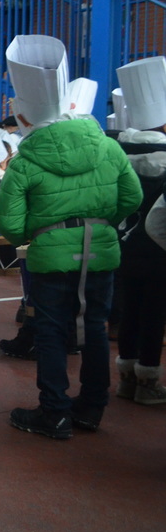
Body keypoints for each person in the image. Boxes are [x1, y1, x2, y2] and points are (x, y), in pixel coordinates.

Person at [0, 36, 141, 438]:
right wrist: (103, 223)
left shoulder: (25, 160)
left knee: (51, 332)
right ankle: (92, 408)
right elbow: (132, 197)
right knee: (95, 328)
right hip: (102, 252)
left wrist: (40, 234)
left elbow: (7, 219)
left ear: (25, 118)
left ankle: (54, 412)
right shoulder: (108, 147)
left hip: (51, 257)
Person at [113, 57, 166, 405]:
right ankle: (148, 381)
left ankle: (126, 378)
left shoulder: (117, 157)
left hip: (122, 246)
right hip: (158, 251)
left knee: (128, 311)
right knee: (154, 316)